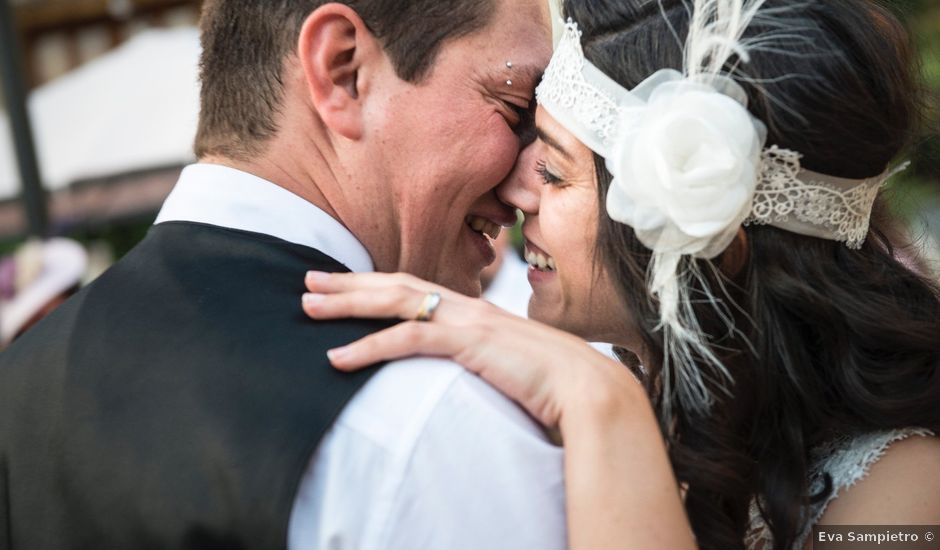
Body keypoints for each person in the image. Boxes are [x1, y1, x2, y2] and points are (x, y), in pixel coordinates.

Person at [301, 0, 940, 548]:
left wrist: (596, 400)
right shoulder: (544, 402)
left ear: (710, 248)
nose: (516, 191)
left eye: (552, 171)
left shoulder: (906, 498)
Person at [0, 1, 564, 549]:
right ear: (343, 70)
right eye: (515, 109)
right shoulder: (429, 425)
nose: (530, 184)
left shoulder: (18, 383)